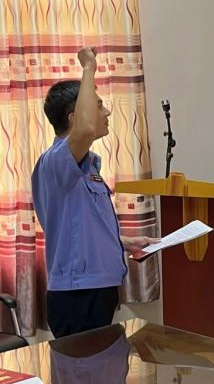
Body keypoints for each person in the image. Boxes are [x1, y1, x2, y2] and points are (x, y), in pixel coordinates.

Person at [31, 47, 157, 338]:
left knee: (101, 365)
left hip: (98, 289)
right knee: (83, 367)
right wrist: (89, 66)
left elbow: (80, 228)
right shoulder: (57, 162)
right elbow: (86, 128)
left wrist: (124, 242)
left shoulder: (88, 166)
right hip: (77, 294)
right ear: (74, 118)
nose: (107, 112)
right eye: (99, 106)